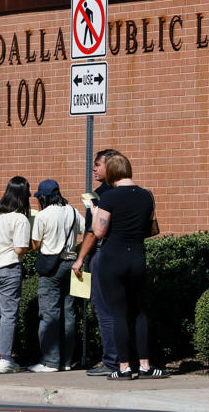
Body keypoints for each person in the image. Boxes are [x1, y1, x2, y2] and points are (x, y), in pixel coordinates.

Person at [91, 153, 167, 380]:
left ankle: (123, 368)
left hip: (113, 257)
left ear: (112, 173)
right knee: (140, 312)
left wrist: (96, 214)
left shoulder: (109, 197)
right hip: (137, 256)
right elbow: (150, 229)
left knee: (118, 314)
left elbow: (99, 232)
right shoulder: (146, 196)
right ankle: (145, 365)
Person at [72, 149, 120, 377]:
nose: (94, 168)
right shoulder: (130, 193)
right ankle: (125, 359)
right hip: (126, 255)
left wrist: (80, 259)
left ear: (110, 167)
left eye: (98, 165)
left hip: (102, 255)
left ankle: (111, 360)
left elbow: (93, 232)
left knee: (104, 310)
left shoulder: (100, 196)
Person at [28, 180, 84, 373]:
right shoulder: (73, 211)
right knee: (69, 313)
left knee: (49, 314)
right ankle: (66, 361)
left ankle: (50, 362)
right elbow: (88, 231)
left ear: (43, 197)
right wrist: (77, 250)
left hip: (51, 267)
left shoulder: (43, 216)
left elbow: (35, 246)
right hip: (71, 264)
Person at [0, 176, 31, 374]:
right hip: (8, 268)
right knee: (9, 314)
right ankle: (6, 359)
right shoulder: (20, 219)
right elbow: (20, 249)